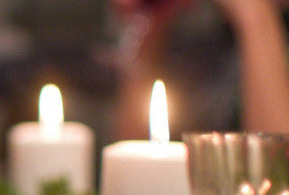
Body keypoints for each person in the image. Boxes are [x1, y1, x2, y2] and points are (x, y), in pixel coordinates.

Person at [112, 0, 289, 139]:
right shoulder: (184, 25)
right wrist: (151, 21)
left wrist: (253, 14)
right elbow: (133, 156)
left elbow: (278, 165)